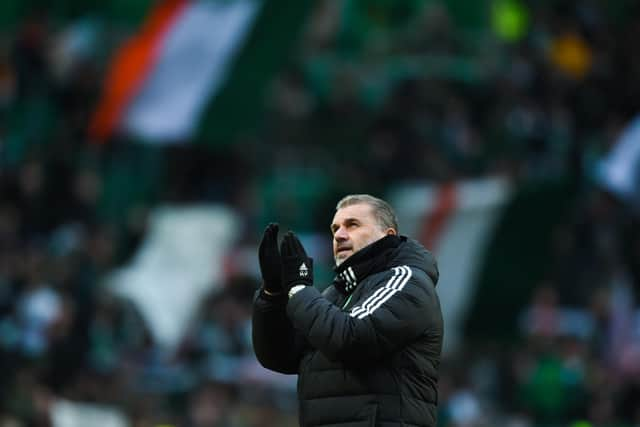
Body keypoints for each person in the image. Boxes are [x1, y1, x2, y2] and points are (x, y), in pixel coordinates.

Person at [252, 194, 443, 427]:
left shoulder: (406, 280)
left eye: (352, 225)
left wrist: (299, 287)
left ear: (387, 235)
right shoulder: (334, 294)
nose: (339, 235)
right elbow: (281, 357)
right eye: (335, 229)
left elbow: (352, 337)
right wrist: (273, 294)